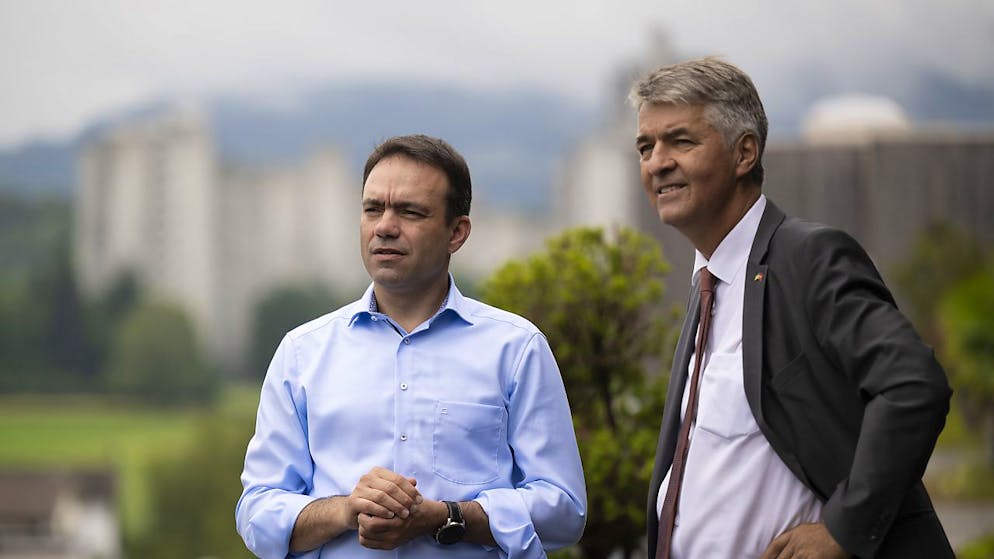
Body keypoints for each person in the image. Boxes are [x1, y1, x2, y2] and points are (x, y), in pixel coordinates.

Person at [630, 58, 953, 559]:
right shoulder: (708, 285)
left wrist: (844, 529)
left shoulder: (807, 257)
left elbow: (913, 385)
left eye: (681, 141)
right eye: (646, 147)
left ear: (744, 153)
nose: (657, 162)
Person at [235, 134, 586, 558]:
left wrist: (447, 517)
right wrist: (347, 510)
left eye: (410, 211)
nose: (385, 226)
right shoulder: (303, 352)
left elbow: (565, 509)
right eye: (372, 208)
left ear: (457, 232)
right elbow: (257, 512)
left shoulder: (516, 349)